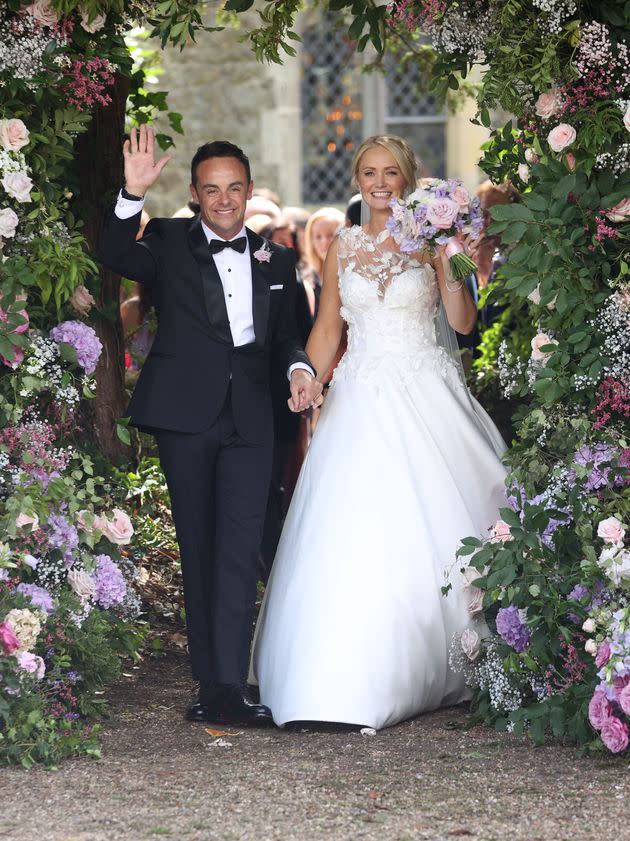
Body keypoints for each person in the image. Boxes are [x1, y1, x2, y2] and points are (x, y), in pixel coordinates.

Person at [252, 135, 507, 730]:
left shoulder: (442, 244)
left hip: (427, 395)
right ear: (357, 179)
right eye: (368, 172)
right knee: (352, 530)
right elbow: (326, 330)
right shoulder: (343, 245)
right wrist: (307, 380)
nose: (379, 182)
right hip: (361, 397)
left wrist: (453, 259)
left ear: (410, 178)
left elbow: (464, 322)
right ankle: (339, 676)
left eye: (391, 172)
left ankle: (452, 661)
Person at [99, 127, 322, 727]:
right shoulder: (168, 240)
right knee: (198, 545)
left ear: (248, 190)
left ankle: (229, 686)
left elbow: (286, 339)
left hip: (253, 418)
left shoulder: (277, 258)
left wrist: (300, 368)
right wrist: (131, 192)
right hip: (185, 417)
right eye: (211, 189)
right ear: (196, 194)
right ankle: (209, 683)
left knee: (240, 547)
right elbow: (115, 254)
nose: (224, 199)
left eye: (234, 188)